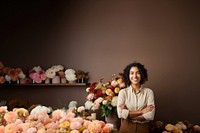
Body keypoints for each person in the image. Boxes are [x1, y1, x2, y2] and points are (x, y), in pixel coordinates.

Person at [117, 62, 155, 133]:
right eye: (131, 73)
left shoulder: (149, 92)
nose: (135, 76)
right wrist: (142, 111)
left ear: (142, 75)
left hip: (143, 129)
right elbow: (120, 114)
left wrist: (128, 114)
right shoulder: (123, 92)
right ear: (128, 75)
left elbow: (150, 115)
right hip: (125, 128)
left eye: (138, 73)